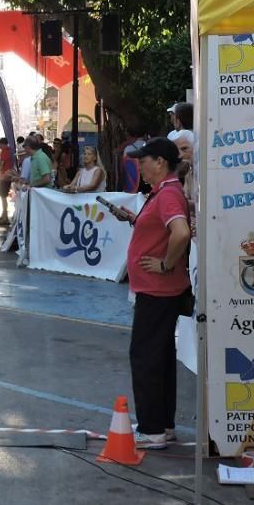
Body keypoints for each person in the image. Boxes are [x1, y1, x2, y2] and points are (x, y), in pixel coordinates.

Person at [108, 138, 191, 449]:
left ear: (160, 162)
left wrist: (166, 264)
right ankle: (163, 425)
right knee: (160, 357)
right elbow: (163, 229)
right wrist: (133, 220)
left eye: (143, 160)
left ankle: (152, 429)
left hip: (158, 290)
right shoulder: (163, 193)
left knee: (145, 356)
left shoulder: (168, 193)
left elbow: (181, 232)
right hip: (158, 290)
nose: (139, 166)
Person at [0, 137, 14, 225]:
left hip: (4, 177)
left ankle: (5, 217)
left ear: (2, 144)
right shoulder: (9, 151)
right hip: (6, 176)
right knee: (3, 197)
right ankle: (3, 215)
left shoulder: (5, 151)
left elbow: (1, 166)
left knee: (3, 197)